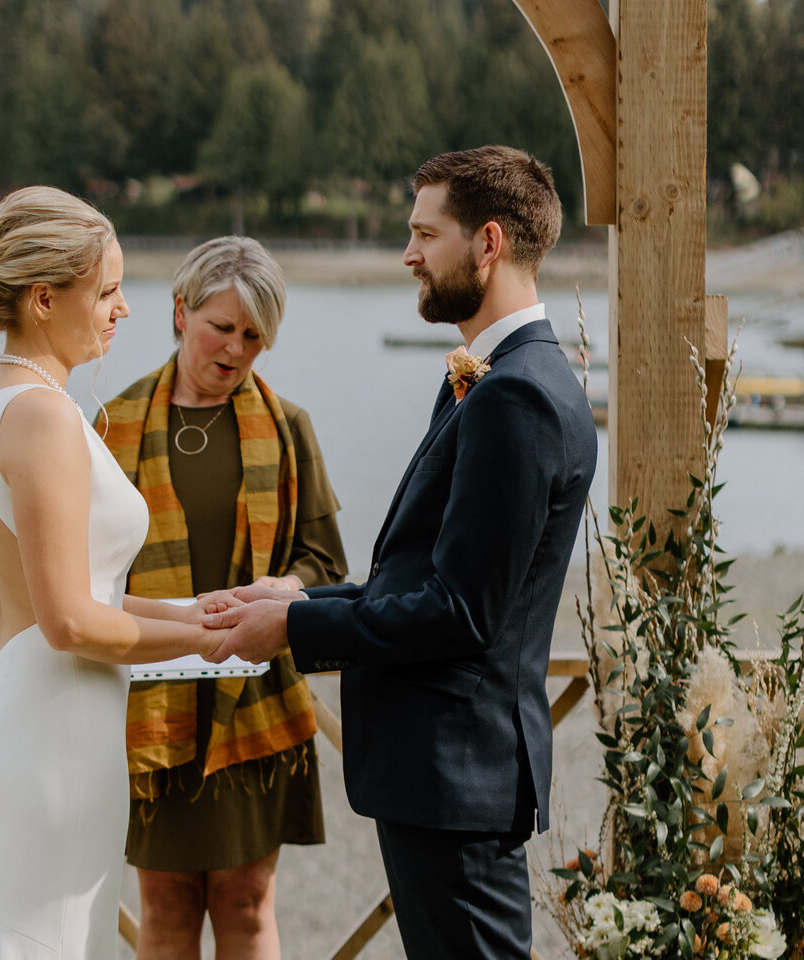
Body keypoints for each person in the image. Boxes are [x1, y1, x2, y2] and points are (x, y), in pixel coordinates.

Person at [201, 147, 598, 958]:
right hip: (452, 775)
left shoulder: (514, 395)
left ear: (487, 243)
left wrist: (296, 632)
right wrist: (302, 600)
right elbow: (429, 579)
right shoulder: (500, 377)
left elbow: (461, 613)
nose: (408, 254)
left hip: (457, 775)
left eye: (425, 233)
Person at [0, 186, 225, 960]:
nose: (123, 309)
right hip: (53, 730)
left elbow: (93, 594)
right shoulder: (40, 416)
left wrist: (208, 611)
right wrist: (204, 644)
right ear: (43, 299)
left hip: (53, 711)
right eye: (106, 290)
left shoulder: (18, 402)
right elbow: (70, 621)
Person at [97, 236, 347, 960]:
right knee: (166, 905)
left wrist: (285, 589)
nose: (235, 349)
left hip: (254, 698)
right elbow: (88, 574)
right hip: (148, 695)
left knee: (246, 900)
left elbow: (325, 560)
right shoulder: (110, 426)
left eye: (252, 335)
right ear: (180, 313)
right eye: (221, 327)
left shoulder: (291, 427)